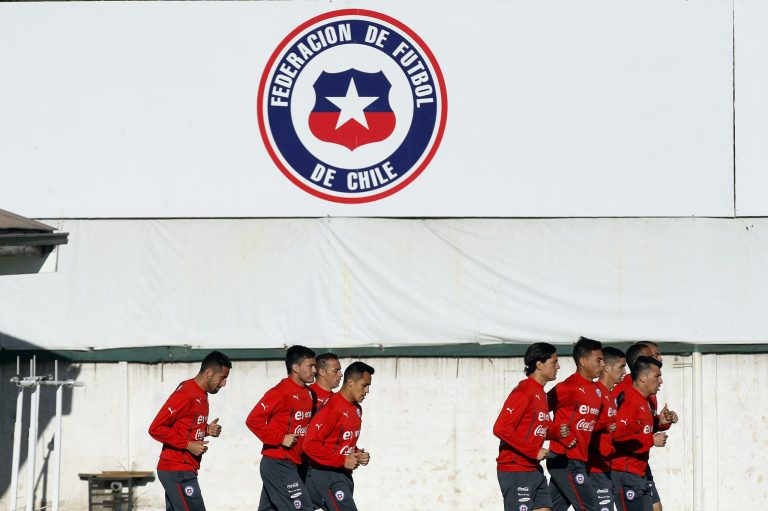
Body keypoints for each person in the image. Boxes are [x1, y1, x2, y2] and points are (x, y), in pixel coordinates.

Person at [148, 350, 231, 511]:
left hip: (184, 469)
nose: (224, 383)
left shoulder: (201, 394)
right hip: (177, 469)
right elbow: (156, 428)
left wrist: (207, 429)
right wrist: (187, 444)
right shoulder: (186, 393)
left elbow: (185, 425)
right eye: (222, 377)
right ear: (209, 373)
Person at [493, 343, 569, 511]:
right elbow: (500, 428)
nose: (558, 366)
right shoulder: (524, 390)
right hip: (516, 469)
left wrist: (557, 431)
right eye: (554, 362)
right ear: (539, 365)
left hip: (533, 469)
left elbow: (536, 428)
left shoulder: (541, 393)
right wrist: (533, 451)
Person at [246, 345, 317, 511]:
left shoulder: (309, 394)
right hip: (278, 463)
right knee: (303, 508)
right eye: (310, 366)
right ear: (295, 367)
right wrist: (280, 438)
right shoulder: (280, 392)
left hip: (295, 464)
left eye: (315, 366)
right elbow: (253, 420)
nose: (314, 370)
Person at [615, 342, 678, 511]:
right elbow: (617, 434)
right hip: (625, 468)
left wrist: (661, 422)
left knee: (656, 508)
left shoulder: (646, 395)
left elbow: (642, 426)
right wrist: (650, 440)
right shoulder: (627, 393)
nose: (660, 358)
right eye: (654, 355)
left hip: (640, 465)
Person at [304, 361, 375, 511]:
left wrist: (356, 453)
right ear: (350, 382)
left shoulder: (357, 409)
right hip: (328, 476)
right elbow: (310, 444)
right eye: (364, 385)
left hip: (344, 476)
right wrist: (343, 460)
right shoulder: (331, 408)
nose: (367, 390)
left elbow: (340, 440)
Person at [547, 337, 605, 511]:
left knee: (552, 508)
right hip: (565, 459)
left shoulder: (596, 390)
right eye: (599, 360)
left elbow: (598, 424)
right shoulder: (567, 387)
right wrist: (558, 433)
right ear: (583, 361)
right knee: (590, 507)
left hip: (579, 460)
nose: (602, 365)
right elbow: (537, 412)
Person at [587, 347, 627, 511]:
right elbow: (583, 427)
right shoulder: (594, 393)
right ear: (607, 367)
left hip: (605, 466)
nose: (624, 371)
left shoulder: (610, 395)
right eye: (621, 366)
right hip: (594, 467)